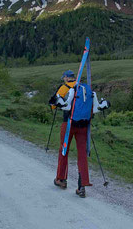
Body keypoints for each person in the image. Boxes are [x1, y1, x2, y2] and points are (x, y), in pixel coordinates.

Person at [49, 70, 109, 198]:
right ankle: (82, 186)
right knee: (82, 154)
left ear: (66, 78)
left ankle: (61, 179)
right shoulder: (86, 89)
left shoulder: (65, 88)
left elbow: (54, 106)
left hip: (68, 124)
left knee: (64, 150)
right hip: (83, 126)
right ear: (74, 78)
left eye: (64, 77)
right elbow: (94, 107)